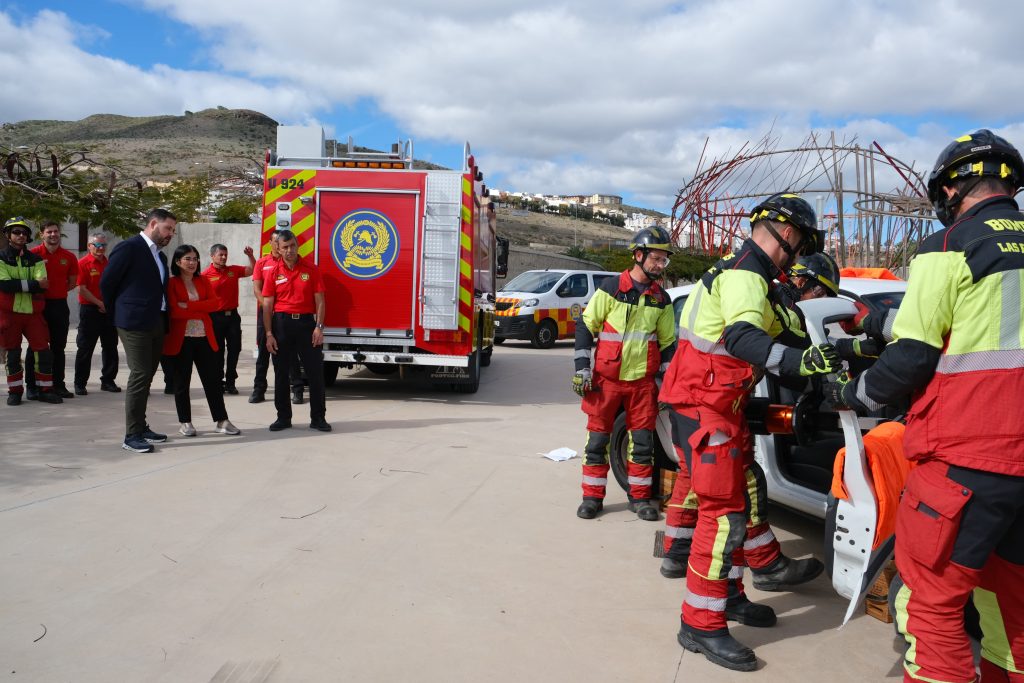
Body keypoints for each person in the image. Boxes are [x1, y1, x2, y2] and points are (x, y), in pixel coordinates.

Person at [826, 130, 1024, 683]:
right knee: (1014, 611)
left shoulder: (949, 244)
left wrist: (852, 395)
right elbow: (978, 327)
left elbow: (914, 355)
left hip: (966, 460)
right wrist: (870, 322)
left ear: (950, 188)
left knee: (929, 606)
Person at [660, 193, 842, 671]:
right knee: (722, 519)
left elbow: (791, 327)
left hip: (723, 406)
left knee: (741, 502)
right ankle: (700, 623)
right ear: (784, 231)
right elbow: (743, 337)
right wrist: (800, 361)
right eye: (799, 241)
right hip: (705, 408)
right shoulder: (744, 274)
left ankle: (731, 597)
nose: (798, 252)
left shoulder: (756, 277)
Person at [572, 226, 677, 522]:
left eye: (663, 260)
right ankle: (592, 498)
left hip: (642, 384)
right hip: (605, 382)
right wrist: (582, 368)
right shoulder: (611, 288)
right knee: (597, 442)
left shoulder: (661, 300)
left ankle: (640, 498)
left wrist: (668, 384)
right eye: (656, 259)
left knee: (643, 444)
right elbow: (585, 326)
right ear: (639, 255)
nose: (660, 265)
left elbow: (668, 345)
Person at [100, 208, 176, 454]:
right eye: (168, 229)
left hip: (156, 320)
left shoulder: (160, 257)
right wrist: (121, 312)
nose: (171, 235)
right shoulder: (129, 248)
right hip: (133, 321)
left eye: (173, 231)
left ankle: (141, 427)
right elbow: (107, 283)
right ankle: (131, 434)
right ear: (153, 224)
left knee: (148, 374)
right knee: (140, 374)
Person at [164, 244, 240, 437]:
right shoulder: (172, 283)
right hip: (182, 340)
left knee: (213, 381)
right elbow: (174, 311)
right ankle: (186, 422)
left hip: (204, 338)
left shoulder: (203, 280)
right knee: (182, 383)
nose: (192, 263)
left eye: (195, 259)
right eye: (187, 259)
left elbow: (214, 304)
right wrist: (199, 307)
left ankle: (222, 420)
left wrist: (188, 305)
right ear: (177, 262)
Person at [262, 229, 330, 432]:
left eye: (293, 245)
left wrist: (319, 327)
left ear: (297, 246)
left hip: (306, 326)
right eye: (285, 247)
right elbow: (267, 305)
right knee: (281, 374)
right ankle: (283, 418)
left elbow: (320, 300)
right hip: (281, 325)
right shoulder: (273, 271)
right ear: (278, 249)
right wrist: (268, 334)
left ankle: (318, 418)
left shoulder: (311, 268)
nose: (290, 250)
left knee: (315, 373)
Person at [0, 217, 61, 405]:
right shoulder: (1, 258)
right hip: (10, 314)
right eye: (16, 232)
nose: (21, 236)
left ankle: (45, 390)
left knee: (43, 352)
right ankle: (15, 391)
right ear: (8, 235)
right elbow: (4, 285)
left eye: (24, 233)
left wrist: (21, 285)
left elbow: (43, 285)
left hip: (34, 314)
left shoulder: (35, 259)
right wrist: (32, 284)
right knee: (12, 354)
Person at [25, 220, 78, 399]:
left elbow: (72, 283)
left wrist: (58, 290)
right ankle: (32, 386)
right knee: (35, 347)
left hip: (59, 306)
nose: (53, 235)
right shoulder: (32, 255)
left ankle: (58, 384)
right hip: (37, 306)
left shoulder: (69, 257)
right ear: (42, 234)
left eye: (56, 231)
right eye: (49, 232)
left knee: (58, 347)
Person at [250, 229, 303, 404]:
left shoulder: (290, 263)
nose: (276, 244)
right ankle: (259, 390)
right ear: (272, 244)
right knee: (264, 352)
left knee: (290, 353)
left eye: (278, 241)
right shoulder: (262, 263)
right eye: (274, 241)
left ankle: (297, 389)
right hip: (266, 313)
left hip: (283, 315)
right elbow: (257, 288)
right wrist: (267, 307)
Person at [202, 243, 255, 395]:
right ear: (212, 256)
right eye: (221, 255)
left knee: (235, 349)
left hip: (232, 317)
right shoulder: (205, 275)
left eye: (225, 254)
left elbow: (252, 270)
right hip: (215, 318)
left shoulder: (233, 270)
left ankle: (231, 381)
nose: (224, 257)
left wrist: (250, 256)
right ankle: (218, 382)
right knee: (217, 352)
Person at [73, 232, 120, 394]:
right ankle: (80, 383)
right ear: (89, 246)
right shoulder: (82, 264)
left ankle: (108, 381)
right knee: (85, 348)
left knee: (110, 347)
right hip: (90, 311)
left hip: (109, 311)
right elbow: (81, 288)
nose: (100, 248)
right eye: (97, 245)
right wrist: (100, 303)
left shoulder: (110, 263)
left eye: (103, 245)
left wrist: (109, 305)